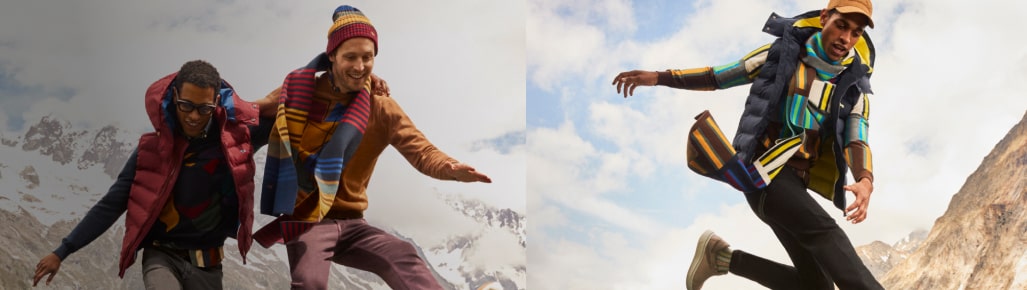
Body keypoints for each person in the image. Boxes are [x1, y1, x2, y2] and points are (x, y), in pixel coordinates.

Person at [612, 0, 882, 289]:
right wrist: (659, 77)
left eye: (855, 32)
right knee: (827, 234)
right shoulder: (782, 55)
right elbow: (719, 75)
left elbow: (857, 137)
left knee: (817, 286)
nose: (846, 38)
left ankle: (722, 258)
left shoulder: (855, 88)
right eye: (841, 25)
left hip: (795, 189)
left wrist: (865, 180)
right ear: (824, 18)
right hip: (762, 173)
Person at [251, 5, 492, 290]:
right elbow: (249, 113)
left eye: (368, 57)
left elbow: (422, 151)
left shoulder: (381, 107)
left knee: (403, 254)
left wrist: (451, 169)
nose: (360, 66)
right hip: (308, 221)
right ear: (331, 56)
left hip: (354, 224)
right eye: (350, 57)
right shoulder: (298, 94)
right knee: (310, 282)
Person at [31, 60, 274, 289]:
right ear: (175, 96)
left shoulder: (236, 138)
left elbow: (296, 105)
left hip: (209, 265)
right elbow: (112, 204)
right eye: (186, 105)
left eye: (204, 109)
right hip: (161, 257)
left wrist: (310, 73)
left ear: (217, 102)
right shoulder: (151, 151)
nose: (193, 116)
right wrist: (62, 251)